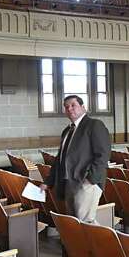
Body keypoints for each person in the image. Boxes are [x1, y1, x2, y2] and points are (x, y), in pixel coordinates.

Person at [44, 94, 111, 223]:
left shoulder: (94, 125)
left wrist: (91, 180)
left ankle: (104, 242)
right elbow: (60, 159)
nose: (69, 109)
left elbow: (103, 154)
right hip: (69, 182)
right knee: (75, 222)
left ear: (83, 107)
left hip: (85, 182)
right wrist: (48, 182)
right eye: (66, 107)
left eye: (73, 105)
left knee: (85, 222)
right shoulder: (67, 131)